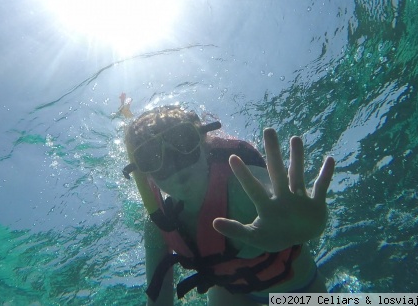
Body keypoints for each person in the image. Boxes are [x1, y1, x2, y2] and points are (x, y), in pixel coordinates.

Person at [123, 105, 335, 305]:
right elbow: (159, 299)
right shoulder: (158, 226)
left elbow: (271, 191)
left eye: (182, 140)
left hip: (298, 291)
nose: (173, 161)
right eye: (152, 156)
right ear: (145, 174)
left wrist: (304, 225)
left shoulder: (241, 187)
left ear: (204, 143)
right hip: (230, 295)